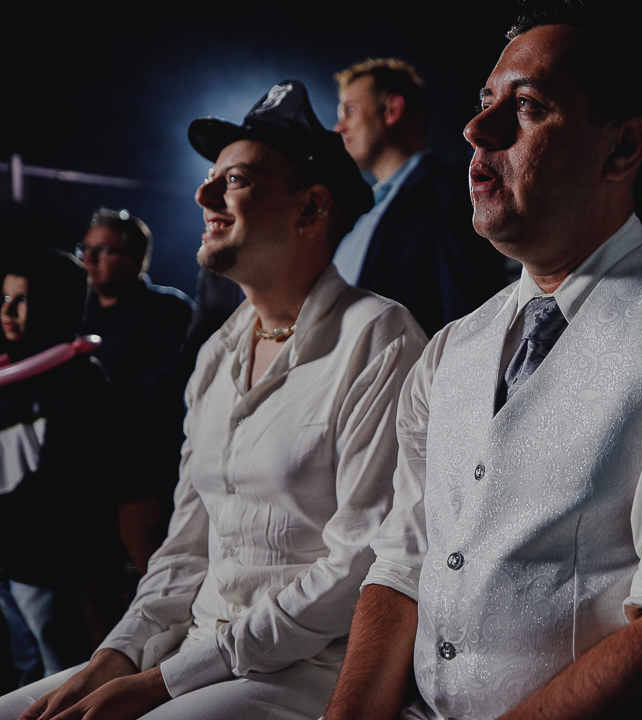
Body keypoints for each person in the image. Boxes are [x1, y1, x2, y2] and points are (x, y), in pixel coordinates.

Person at [323, 7, 642, 720]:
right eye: (485, 101)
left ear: (622, 149)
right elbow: (402, 566)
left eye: (526, 107)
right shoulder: (450, 349)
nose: (476, 129)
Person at [0, 79, 426, 720]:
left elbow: (358, 565)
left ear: (311, 208)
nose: (203, 196)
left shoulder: (379, 339)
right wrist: (117, 654)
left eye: (235, 180)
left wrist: (163, 682)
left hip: (303, 669)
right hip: (189, 652)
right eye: (209, 179)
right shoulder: (216, 355)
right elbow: (184, 549)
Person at [0, 251, 122, 686]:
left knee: (59, 670)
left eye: (24, 300)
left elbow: (64, 480)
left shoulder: (79, 377)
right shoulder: (7, 373)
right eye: (5, 298)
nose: (8, 311)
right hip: (8, 555)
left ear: (53, 304)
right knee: (25, 663)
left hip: (44, 557)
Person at [332, 57, 508, 337]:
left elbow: (464, 312)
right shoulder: (359, 212)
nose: (339, 127)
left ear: (392, 110)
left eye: (349, 111)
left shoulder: (449, 193)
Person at [78, 209, 194, 577]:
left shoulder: (169, 310)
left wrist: (104, 399)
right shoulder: (76, 313)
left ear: (133, 259)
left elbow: (176, 382)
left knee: (156, 576)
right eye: (85, 249)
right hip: (88, 475)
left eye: (103, 251)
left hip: (144, 476)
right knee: (94, 583)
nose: (88, 259)